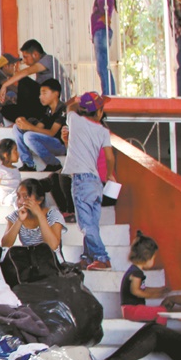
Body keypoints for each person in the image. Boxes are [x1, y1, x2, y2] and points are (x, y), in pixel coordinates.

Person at [62, 92, 116, 270]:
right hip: (95, 181)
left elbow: (69, 107)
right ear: (99, 112)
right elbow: (109, 157)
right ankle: (87, 257)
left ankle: (102, 257)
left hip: (81, 179)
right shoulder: (102, 130)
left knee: (85, 224)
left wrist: (77, 101)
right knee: (92, 223)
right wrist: (109, 174)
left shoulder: (75, 121)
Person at [0, 39, 71, 122]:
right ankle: (28, 118)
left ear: (35, 55)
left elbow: (26, 72)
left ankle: (25, 116)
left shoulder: (48, 59)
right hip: (41, 105)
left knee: (24, 81)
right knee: (5, 109)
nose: (24, 61)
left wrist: (5, 85)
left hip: (54, 104)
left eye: (26, 57)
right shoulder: (40, 71)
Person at [12, 78, 66, 172]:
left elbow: (52, 133)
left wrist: (29, 127)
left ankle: (54, 164)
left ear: (56, 94)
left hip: (60, 145)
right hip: (48, 142)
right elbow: (38, 128)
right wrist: (24, 123)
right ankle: (28, 164)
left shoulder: (63, 109)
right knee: (17, 128)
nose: (40, 97)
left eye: (44, 93)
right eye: (40, 94)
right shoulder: (48, 110)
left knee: (28, 136)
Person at [2, 179, 65, 251]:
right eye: (18, 196)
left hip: (49, 260)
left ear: (39, 200)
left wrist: (40, 215)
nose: (20, 201)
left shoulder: (53, 214)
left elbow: (53, 246)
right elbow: (5, 245)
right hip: (28, 259)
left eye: (25, 197)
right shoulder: (16, 215)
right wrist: (19, 220)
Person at [120, 231, 170, 324]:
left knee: (160, 310)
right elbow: (136, 291)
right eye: (153, 258)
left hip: (133, 309)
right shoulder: (136, 273)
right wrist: (153, 296)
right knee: (162, 311)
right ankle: (159, 333)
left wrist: (159, 290)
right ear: (147, 256)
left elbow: (143, 288)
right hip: (131, 310)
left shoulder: (137, 272)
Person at [88, 0, 118, 95]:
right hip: (99, 31)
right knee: (102, 65)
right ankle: (108, 91)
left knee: (102, 65)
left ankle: (108, 92)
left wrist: (105, 15)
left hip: (101, 31)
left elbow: (104, 4)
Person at [0, 138, 20, 206]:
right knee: (15, 197)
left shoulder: (16, 169)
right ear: (6, 154)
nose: (18, 153)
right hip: (8, 198)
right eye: (15, 151)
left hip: (18, 195)